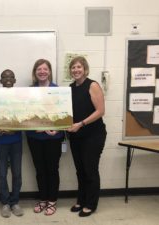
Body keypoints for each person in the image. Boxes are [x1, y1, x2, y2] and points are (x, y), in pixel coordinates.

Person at [67, 56, 107, 217]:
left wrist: (81, 124)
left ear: (85, 69)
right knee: (80, 171)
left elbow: (100, 111)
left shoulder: (93, 85)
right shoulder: (70, 88)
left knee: (90, 170)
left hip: (93, 135)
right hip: (76, 136)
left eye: (79, 67)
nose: (76, 70)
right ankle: (81, 200)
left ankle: (91, 204)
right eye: (73, 67)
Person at [26, 59, 64, 216]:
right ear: (35, 72)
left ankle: (52, 201)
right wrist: (32, 125)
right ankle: (43, 199)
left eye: (45, 69)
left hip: (53, 137)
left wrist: (56, 128)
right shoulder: (28, 91)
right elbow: (25, 113)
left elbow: (64, 114)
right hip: (34, 137)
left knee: (52, 169)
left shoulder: (58, 90)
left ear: (49, 71)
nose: (42, 71)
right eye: (39, 69)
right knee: (40, 169)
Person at [0, 69, 24, 218]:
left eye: (11, 76)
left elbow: (25, 117)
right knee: (2, 174)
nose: (8, 79)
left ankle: (15, 202)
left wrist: (14, 130)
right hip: (0, 141)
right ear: (0, 81)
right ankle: (5, 203)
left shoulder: (20, 98)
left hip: (16, 141)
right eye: (4, 77)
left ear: (15, 80)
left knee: (17, 174)